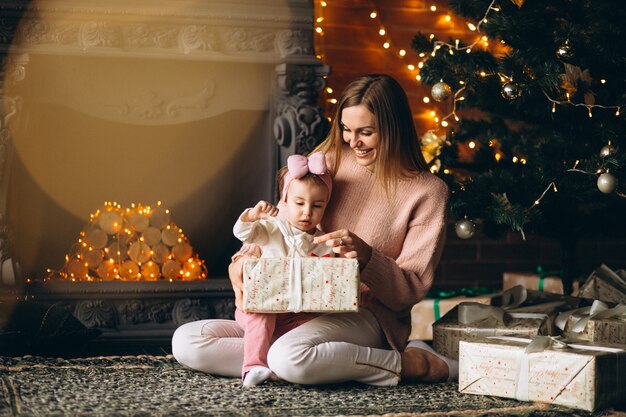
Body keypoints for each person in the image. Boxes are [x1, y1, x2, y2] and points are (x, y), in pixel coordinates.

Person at [172, 74, 458, 386]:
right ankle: (309, 360)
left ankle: (407, 364)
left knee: (289, 358)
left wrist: (367, 258)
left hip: (362, 316)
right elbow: (278, 226)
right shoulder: (328, 162)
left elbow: (409, 291)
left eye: (366, 132)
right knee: (187, 341)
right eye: (346, 130)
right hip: (289, 303)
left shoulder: (428, 192)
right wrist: (242, 263)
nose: (352, 142)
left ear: (394, 130)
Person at [231, 151, 334, 387]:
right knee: (263, 310)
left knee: (317, 321)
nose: (307, 212)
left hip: (296, 314)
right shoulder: (272, 228)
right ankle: (253, 367)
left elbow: (329, 276)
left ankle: (281, 358)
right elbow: (243, 233)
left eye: (317, 206)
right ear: (285, 201)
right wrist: (253, 216)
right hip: (260, 308)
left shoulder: (322, 241)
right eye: (299, 203)